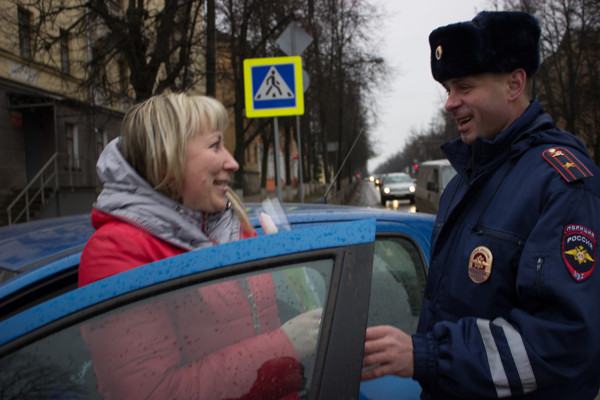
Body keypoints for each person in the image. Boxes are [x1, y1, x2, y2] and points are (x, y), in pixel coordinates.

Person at [362, 11, 600, 399]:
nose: (450, 103)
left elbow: (565, 341)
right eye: (447, 90)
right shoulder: (463, 184)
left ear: (514, 84)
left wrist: (430, 355)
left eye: (464, 87)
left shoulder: (562, 184)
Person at [79, 93, 321, 399]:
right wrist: (286, 346)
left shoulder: (231, 225)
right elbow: (155, 393)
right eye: (215, 145)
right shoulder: (116, 252)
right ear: (167, 159)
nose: (232, 163)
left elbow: (259, 325)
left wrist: (325, 349)